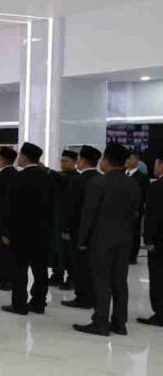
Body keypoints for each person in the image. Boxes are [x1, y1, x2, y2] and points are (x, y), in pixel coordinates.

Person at [74, 144, 142, 336]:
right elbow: (135, 212)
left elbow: (89, 213)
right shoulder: (133, 183)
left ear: (106, 160)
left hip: (101, 239)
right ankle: (119, 323)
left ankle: (100, 322)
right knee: (120, 281)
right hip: (124, 238)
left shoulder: (99, 182)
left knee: (101, 280)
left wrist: (82, 239)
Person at [1, 142, 55, 316]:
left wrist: (5, 231)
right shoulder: (48, 178)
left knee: (19, 269)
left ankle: (19, 304)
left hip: (20, 231)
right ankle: (38, 302)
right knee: (40, 269)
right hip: (43, 231)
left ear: (24, 157)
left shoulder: (18, 178)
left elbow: (10, 207)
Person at [61, 146, 102, 310]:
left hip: (78, 230)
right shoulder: (100, 178)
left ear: (83, 161)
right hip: (97, 231)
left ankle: (82, 297)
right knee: (94, 266)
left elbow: (71, 208)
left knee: (79, 265)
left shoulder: (78, 180)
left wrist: (66, 229)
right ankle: (93, 296)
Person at [137, 153, 163, 327]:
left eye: (156, 163)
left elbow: (152, 216)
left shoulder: (156, 187)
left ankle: (160, 314)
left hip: (159, 241)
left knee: (158, 277)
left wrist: (148, 239)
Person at [0, 146, 18, 291]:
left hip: (1, 224)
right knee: (13, 254)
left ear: (3, 160)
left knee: (2, 254)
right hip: (16, 223)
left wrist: (3, 230)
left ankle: (4, 281)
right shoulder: (19, 176)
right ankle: (13, 280)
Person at [49, 150, 78, 289]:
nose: (63, 164)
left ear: (74, 162)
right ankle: (57, 275)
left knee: (69, 252)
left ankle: (72, 278)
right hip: (56, 219)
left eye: (66, 161)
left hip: (69, 221)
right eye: (61, 161)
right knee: (56, 249)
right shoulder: (58, 177)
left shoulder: (77, 178)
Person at [126, 150, 150, 264]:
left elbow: (145, 196)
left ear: (136, 160)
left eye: (130, 158)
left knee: (134, 232)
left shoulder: (142, 177)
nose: (127, 161)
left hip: (135, 210)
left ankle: (132, 256)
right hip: (121, 210)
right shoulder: (122, 174)